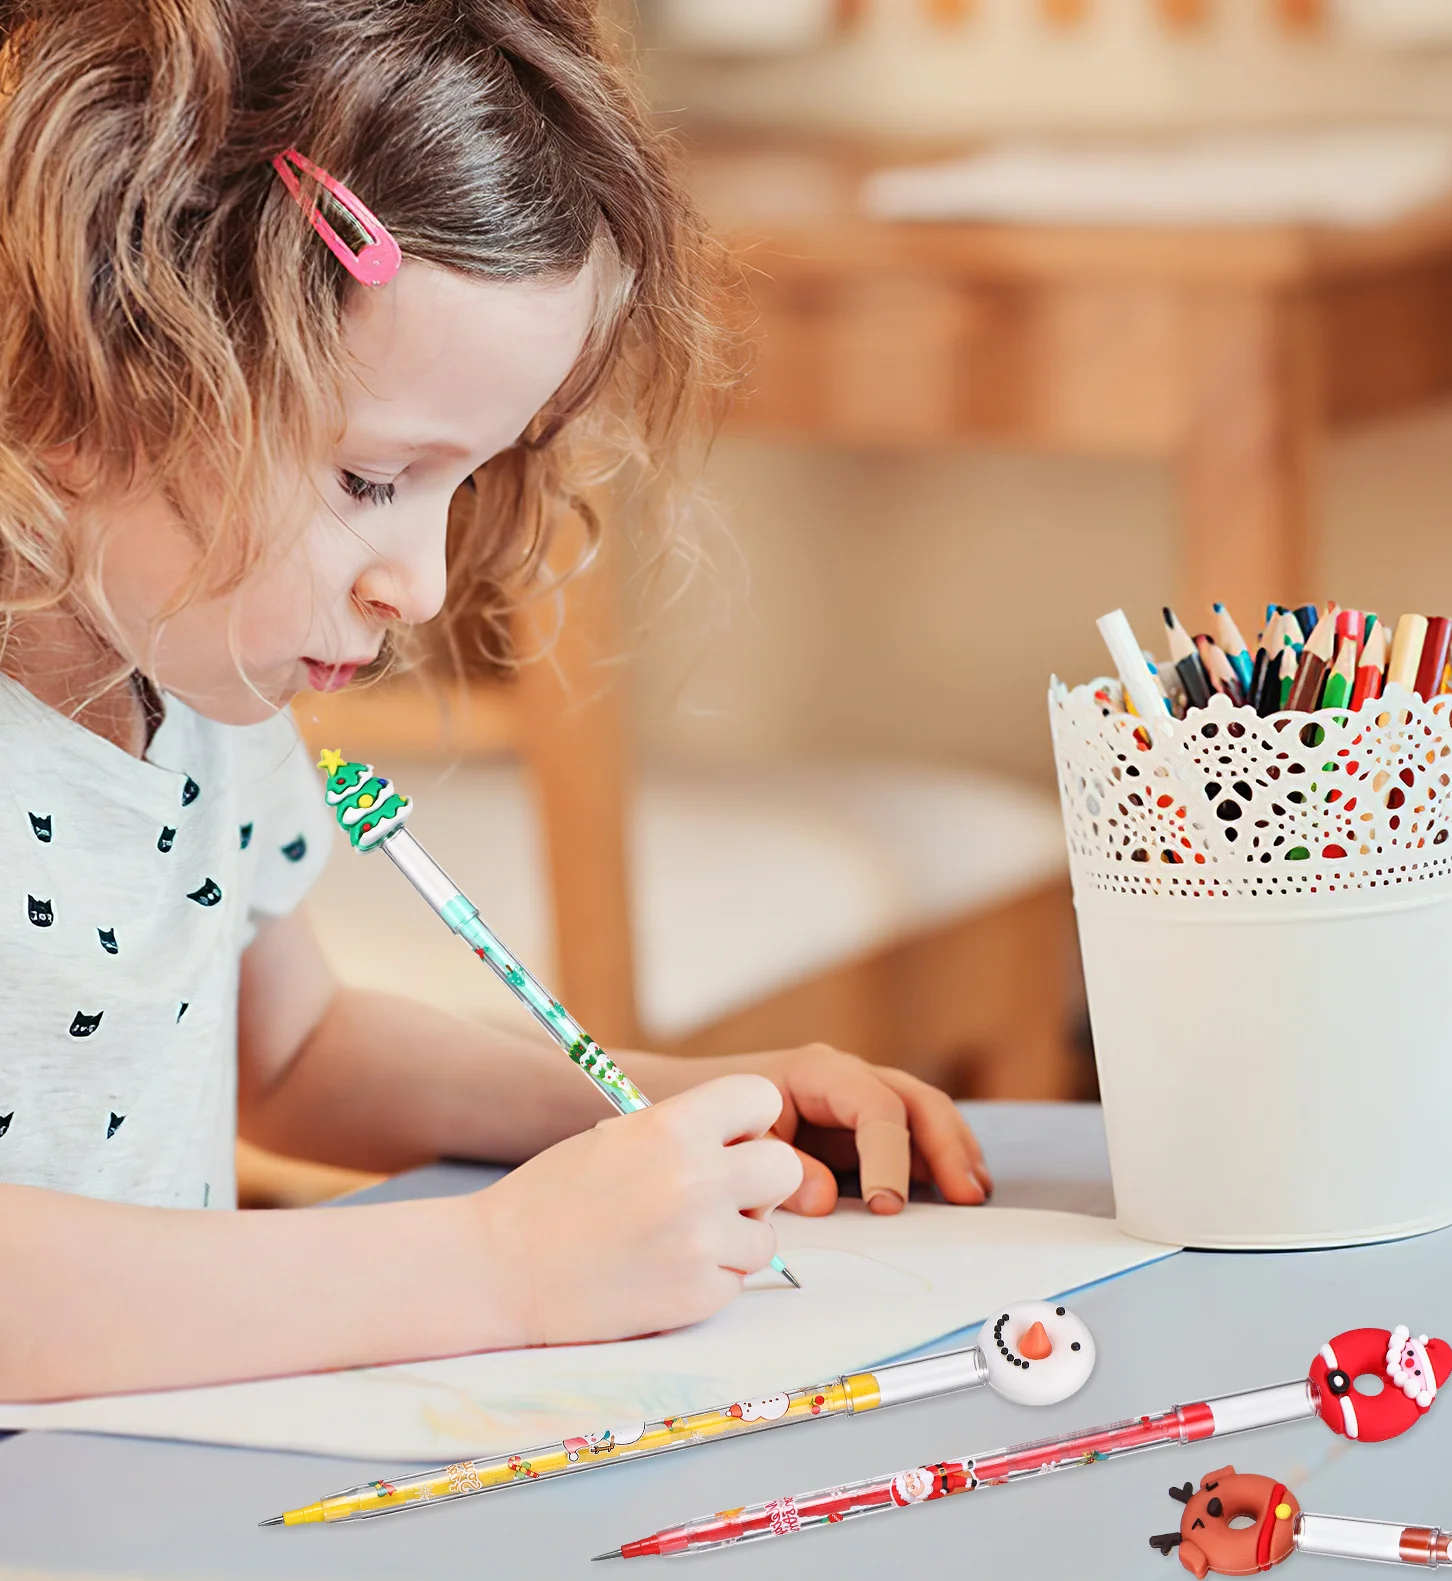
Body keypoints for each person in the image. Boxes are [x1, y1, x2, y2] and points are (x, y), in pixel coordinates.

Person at [0, 0, 991, 1403]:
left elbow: (290, 1051)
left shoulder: (194, 691)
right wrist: (500, 1270)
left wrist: (659, 1108)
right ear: (98, 364)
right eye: (369, 480)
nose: (423, 577)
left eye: (464, 481)